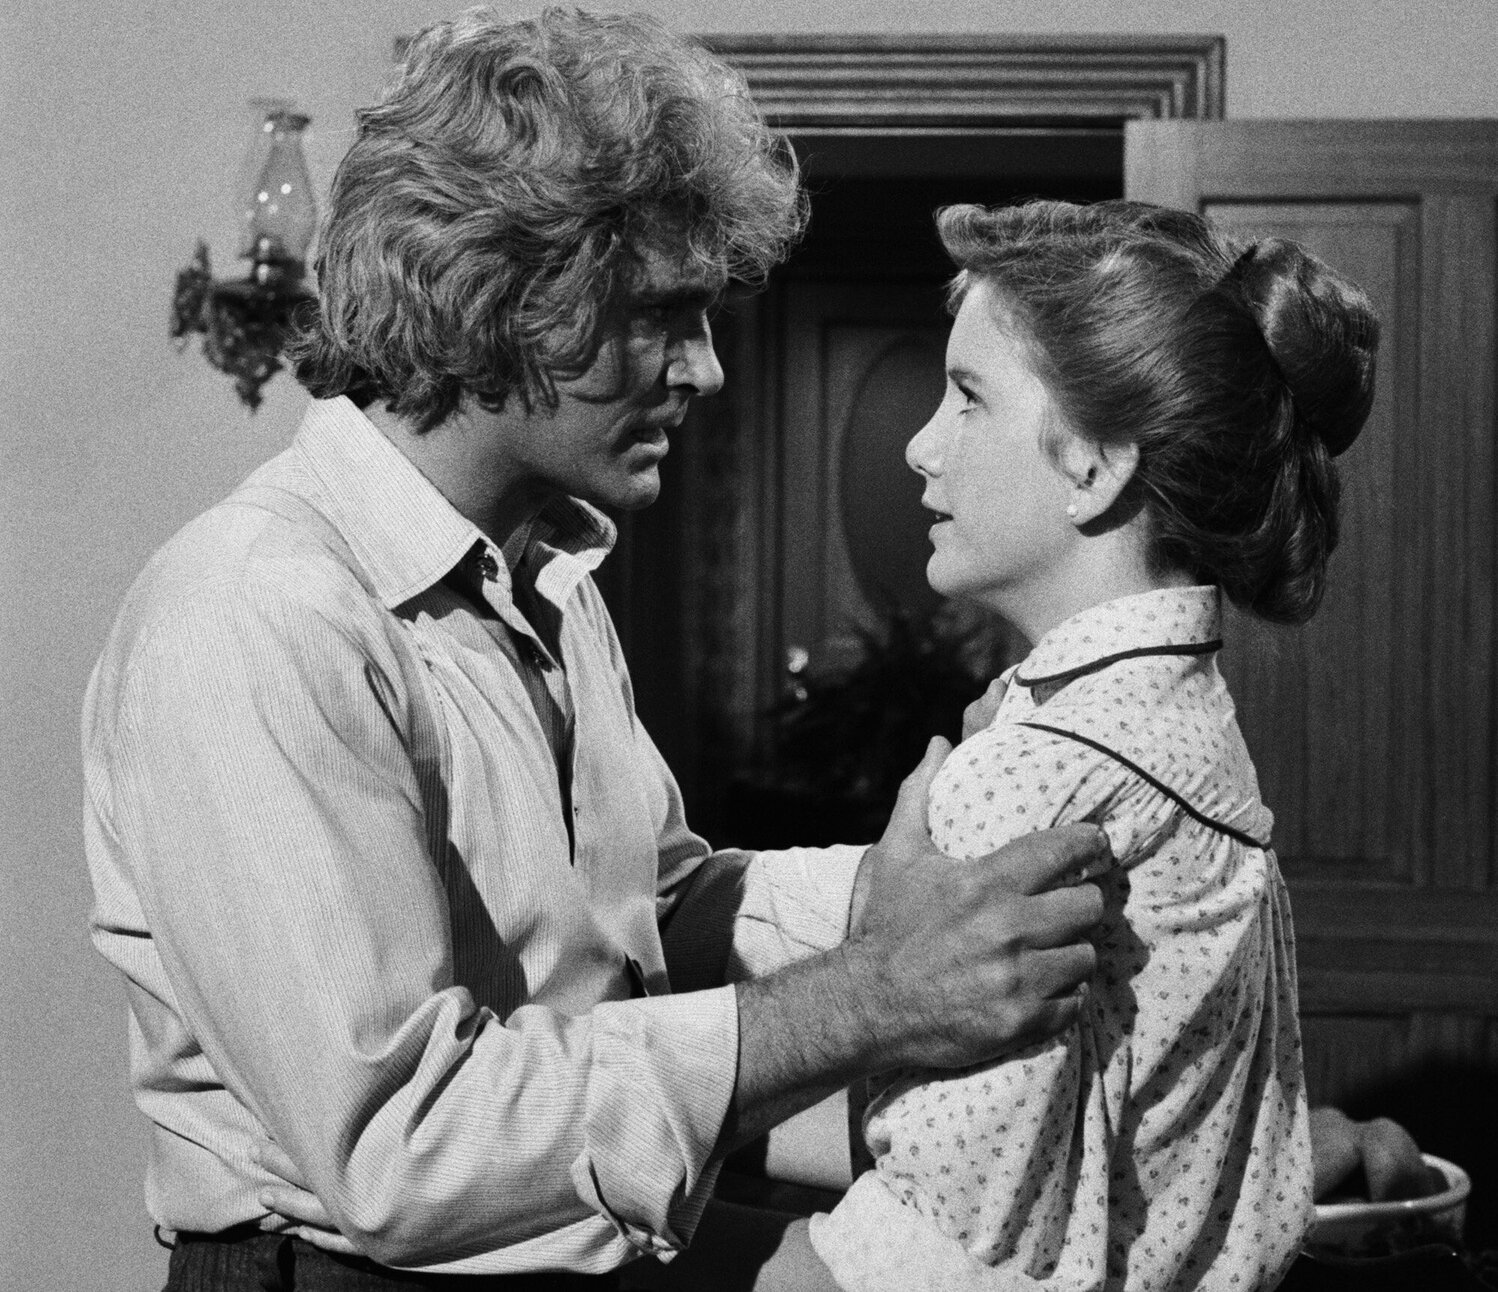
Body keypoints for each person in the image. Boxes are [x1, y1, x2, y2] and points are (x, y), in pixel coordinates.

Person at [81, 10, 1107, 1291]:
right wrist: (870, 992)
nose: (705, 369)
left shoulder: (548, 582)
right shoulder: (258, 612)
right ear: (503, 300)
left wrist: (894, 901)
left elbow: (646, 919)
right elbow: (408, 1148)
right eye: (664, 315)